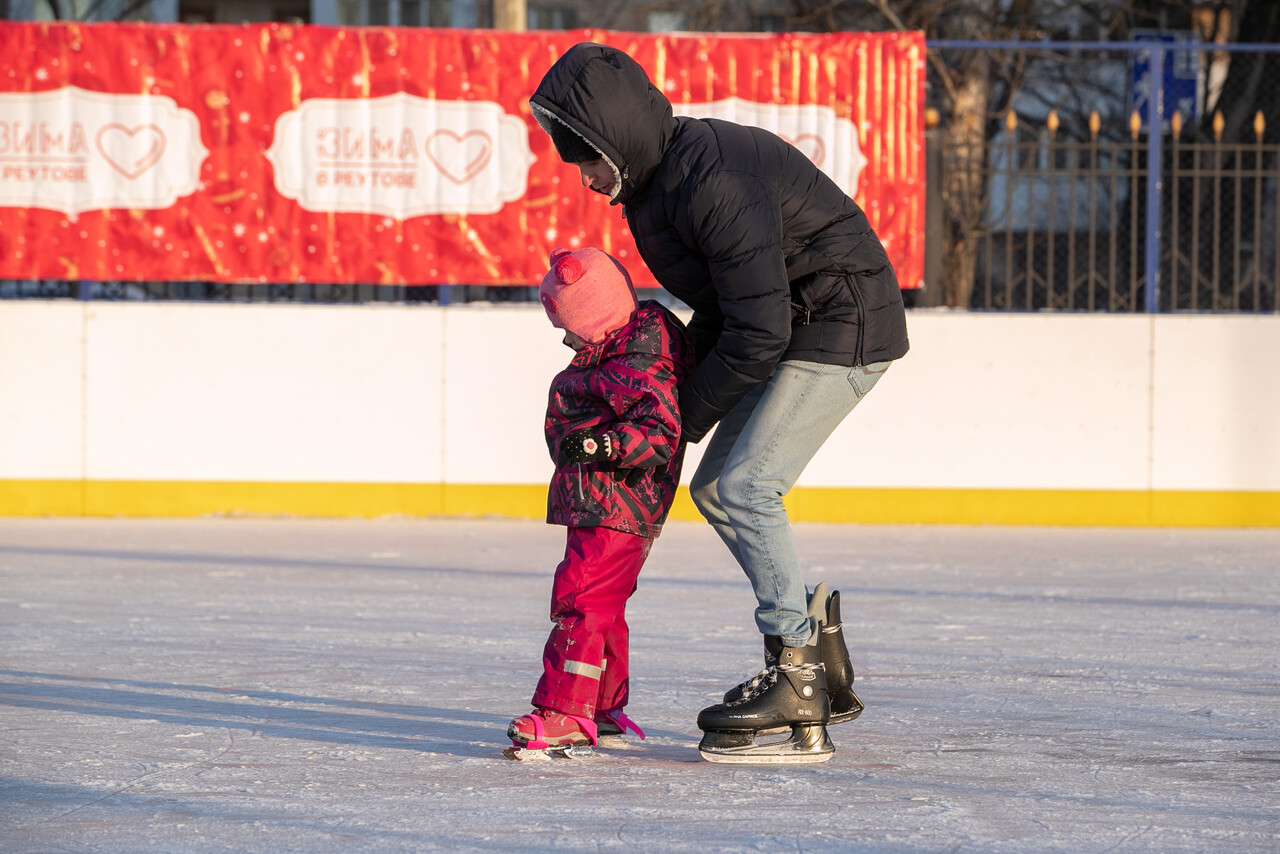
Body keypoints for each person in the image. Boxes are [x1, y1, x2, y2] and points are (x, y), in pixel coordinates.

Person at [530, 43, 910, 762]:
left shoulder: (708, 177)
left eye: (584, 160)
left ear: (614, 141)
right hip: (802, 322)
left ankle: (797, 671)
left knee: (745, 485)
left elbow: (759, 328)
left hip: (842, 323)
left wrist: (673, 422)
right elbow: (726, 309)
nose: (581, 179)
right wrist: (669, 398)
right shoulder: (659, 188)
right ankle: (811, 640)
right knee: (718, 488)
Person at [505, 246, 695, 759]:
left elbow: (660, 433)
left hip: (617, 503)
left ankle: (566, 711)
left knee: (581, 600)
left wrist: (602, 445)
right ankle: (602, 705)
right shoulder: (617, 352)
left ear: (595, 314)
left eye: (569, 325)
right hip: (600, 501)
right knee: (603, 607)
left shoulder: (637, 361)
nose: (565, 337)